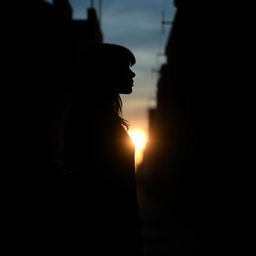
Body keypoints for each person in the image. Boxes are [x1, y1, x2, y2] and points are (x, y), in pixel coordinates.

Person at [62, 43, 143, 255]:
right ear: (107, 72)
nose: (132, 73)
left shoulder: (100, 118)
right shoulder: (96, 122)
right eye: (125, 67)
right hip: (105, 233)